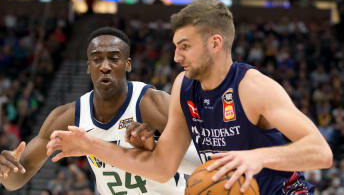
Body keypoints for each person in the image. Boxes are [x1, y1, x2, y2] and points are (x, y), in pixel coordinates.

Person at [46, 0, 333, 194]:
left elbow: (321, 152)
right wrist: (90, 145)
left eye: (184, 46)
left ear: (215, 43)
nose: (176, 56)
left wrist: (256, 158)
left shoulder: (253, 87)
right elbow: (161, 167)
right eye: (175, 46)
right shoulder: (185, 87)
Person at [0, 27, 200, 194]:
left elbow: (204, 154)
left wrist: (155, 148)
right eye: (97, 59)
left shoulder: (151, 103)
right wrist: (6, 170)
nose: (105, 66)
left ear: (127, 64)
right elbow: (16, 180)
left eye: (114, 59)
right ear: (88, 66)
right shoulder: (68, 116)